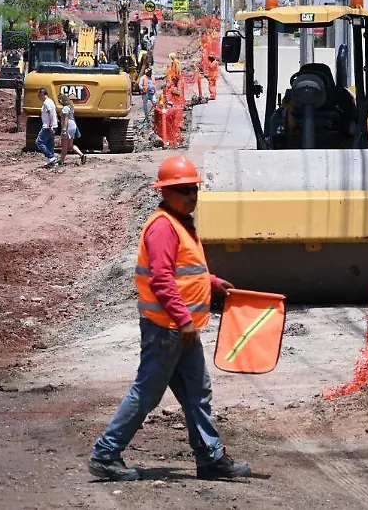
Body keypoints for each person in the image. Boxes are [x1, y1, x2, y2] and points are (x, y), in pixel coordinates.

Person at [89, 155, 253, 482]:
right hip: (168, 328)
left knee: (197, 391)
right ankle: (105, 454)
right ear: (165, 193)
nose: (191, 196)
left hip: (181, 330)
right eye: (182, 190)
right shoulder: (163, 227)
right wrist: (184, 320)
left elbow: (185, 272)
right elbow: (161, 280)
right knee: (147, 393)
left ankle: (210, 458)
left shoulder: (179, 223)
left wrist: (213, 282)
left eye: (193, 189)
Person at [58, 94, 87, 165]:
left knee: (64, 146)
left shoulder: (65, 108)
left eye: (59, 100)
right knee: (70, 145)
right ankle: (82, 155)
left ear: (62, 100)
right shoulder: (71, 107)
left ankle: (61, 161)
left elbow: (66, 118)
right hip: (73, 126)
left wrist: (64, 129)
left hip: (68, 126)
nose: (59, 101)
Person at [35, 87, 58, 167]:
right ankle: (51, 161)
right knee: (49, 143)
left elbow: (51, 113)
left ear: (42, 94)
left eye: (39, 95)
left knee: (39, 142)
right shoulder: (50, 101)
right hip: (52, 125)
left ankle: (50, 157)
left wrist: (50, 125)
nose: (38, 97)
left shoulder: (46, 102)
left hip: (47, 126)